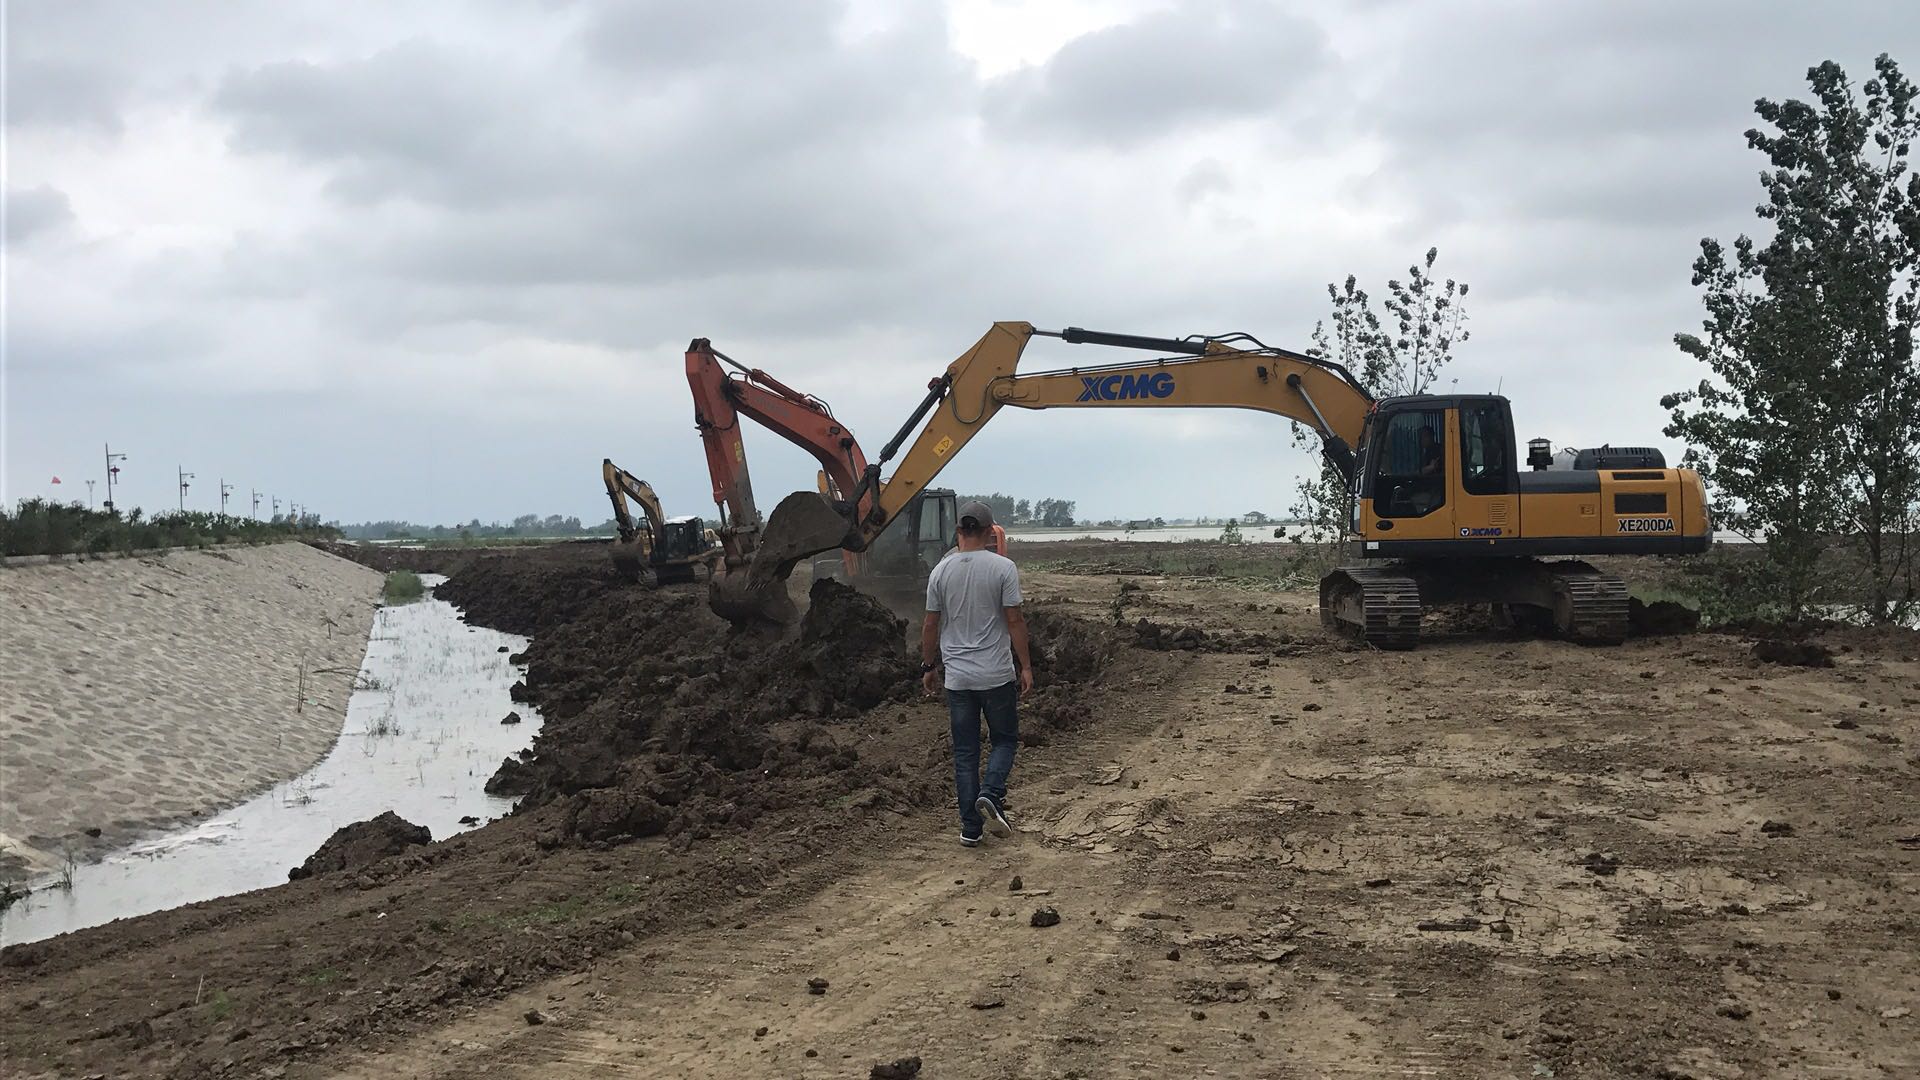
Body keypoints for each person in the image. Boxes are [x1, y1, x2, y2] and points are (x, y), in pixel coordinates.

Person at [921, 500, 1032, 847]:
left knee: (966, 753)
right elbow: (1014, 620)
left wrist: (928, 666)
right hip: (996, 675)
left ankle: (970, 829)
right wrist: (1026, 665)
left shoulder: (940, 571)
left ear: (958, 531)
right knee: (1005, 740)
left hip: (958, 679)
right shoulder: (1003, 568)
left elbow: (930, 624)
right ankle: (991, 793)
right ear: (988, 533)